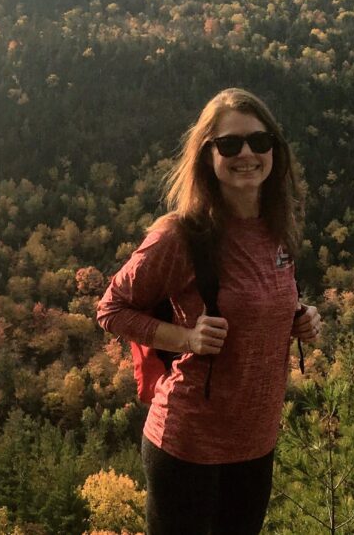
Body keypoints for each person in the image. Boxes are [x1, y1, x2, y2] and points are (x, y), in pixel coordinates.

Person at [96, 88, 321, 535]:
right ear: (207, 155)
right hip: (187, 445)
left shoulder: (278, 228)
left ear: (275, 150)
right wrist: (185, 338)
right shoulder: (181, 235)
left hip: (256, 444)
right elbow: (111, 309)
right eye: (230, 144)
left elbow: (260, 300)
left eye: (260, 142)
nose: (247, 154)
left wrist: (299, 317)